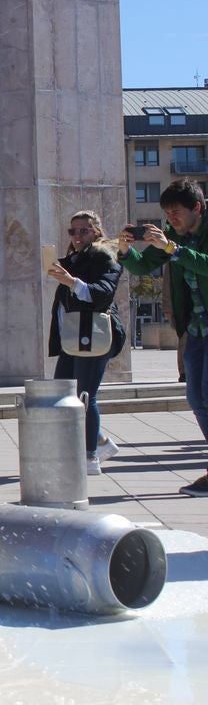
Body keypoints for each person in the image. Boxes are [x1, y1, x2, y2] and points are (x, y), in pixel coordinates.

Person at [118, 179, 208, 496]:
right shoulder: (173, 237)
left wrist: (173, 249)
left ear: (197, 207)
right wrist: (125, 249)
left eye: (177, 212)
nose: (171, 220)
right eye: (167, 214)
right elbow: (143, 268)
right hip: (196, 328)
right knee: (197, 397)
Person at [47, 210, 126, 475]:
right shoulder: (73, 259)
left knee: (84, 395)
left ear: (97, 232)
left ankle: (91, 456)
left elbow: (103, 294)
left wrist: (71, 282)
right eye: (73, 231)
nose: (78, 236)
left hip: (94, 334)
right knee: (61, 394)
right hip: (74, 335)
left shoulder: (106, 257)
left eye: (84, 230)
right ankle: (100, 442)